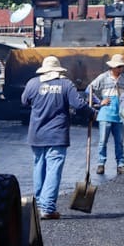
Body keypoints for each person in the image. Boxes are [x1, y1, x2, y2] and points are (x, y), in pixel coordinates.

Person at [22, 56, 95, 220]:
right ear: (58, 70)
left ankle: (40, 204)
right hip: (56, 135)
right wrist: (92, 113)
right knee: (53, 170)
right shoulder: (65, 84)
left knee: (39, 168)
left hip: (36, 134)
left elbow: (24, 101)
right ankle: (47, 208)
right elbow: (79, 105)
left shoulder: (33, 83)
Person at [86, 54, 124, 175]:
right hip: (106, 113)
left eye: (121, 66)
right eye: (118, 66)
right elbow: (89, 89)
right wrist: (99, 101)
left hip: (119, 115)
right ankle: (101, 163)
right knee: (102, 141)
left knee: (119, 142)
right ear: (112, 67)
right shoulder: (103, 77)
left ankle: (120, 164)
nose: (120, 69)